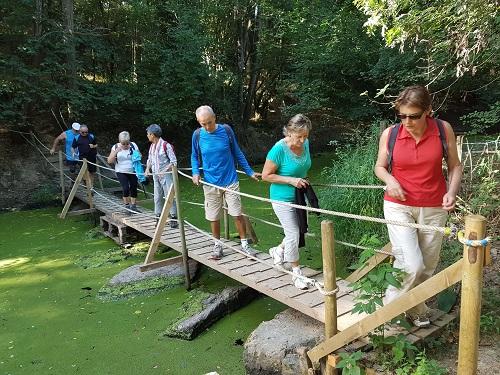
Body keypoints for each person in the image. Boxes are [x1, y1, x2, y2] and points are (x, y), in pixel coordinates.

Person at [374, 85, 462, 327]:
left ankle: (415, 307)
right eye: (402, 116)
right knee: (411, 263)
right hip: (398, 205)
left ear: (428, 111)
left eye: (413, 116)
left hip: (434, 205)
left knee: (427, 266)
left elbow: (455, 165)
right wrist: (390, 180)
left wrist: (452, 192)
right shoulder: (391, 134)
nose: (407, 121)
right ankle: (387, 314)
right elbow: (379, 167)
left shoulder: (443, 130)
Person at [191, 105, 260, 260]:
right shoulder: (197, 135)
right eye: (203, 124)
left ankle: (245, 245)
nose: (207, 127)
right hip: (210, 183)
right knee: (213, 216)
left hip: (230, 180)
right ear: (198, 121)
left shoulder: (226, 131)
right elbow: (194, 156)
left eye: (209, 122)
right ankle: (217, 246)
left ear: (215, 117)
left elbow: (237, 152)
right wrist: (195, 173)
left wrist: (249, 171)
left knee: (237, 214)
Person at [262, 114, 313, 290]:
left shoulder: (305, 143)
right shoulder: (278, 150)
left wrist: (302, 180)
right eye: (299, 136)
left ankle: (278, 251)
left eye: (306, 136)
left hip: (298, 195)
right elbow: (266, 175)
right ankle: (296, 273)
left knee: (299, 231)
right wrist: (292, 180)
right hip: (281, 198)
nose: (303, 140)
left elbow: (302, 167)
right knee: (293, 234)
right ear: (289, 132)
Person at [144, 124, 178, 228]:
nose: (147, 135)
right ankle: (158, 217)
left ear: (153, 135)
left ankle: (173, 218)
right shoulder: (152, 146)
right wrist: (147, 168)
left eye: (148, 134)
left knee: (169, 196)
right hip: (156, 175)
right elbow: (150, 159)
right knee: (157, 196)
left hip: (166, 175)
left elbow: (174, 162)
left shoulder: (165, 145)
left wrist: (164, 171)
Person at [107, 131, 140, 213]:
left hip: (133, 170)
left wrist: (136, 155)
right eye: (123, 143)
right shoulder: (115, 147)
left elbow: (139, 155)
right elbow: (109, 161)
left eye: (127, 143)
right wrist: (116, 152)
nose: (125, 145)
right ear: (119, 141)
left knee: (134, 187)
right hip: (121, 171)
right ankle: (127, 206)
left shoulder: (133, 145)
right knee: (125, 188)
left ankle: (133, 206)